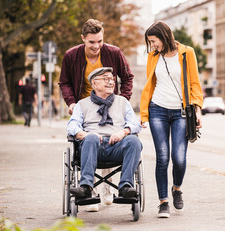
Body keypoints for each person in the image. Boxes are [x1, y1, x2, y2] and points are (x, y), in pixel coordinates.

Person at [59, 19, 134, 209]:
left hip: (110, 102)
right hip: (85, 106)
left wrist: (120, 100)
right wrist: (72, 103)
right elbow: (65, 82)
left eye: (100, 41)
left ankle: (108, 189)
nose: (96, 46)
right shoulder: (71, 56)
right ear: (83, 38)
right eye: (92, 42)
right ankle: (89, 187)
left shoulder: (114, 53)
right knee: (91, 138)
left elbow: (127, 77)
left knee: (111, 133)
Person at [140, 21, 203, 218]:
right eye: (150, 42)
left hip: (181, 113)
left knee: (179, 158)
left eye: (153, 41)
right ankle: (163, 202)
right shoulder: (153, 57)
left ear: (164, 36)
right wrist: (144, 114)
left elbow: (194, 83)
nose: (152, 46)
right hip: (157, 110)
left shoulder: (187, 53)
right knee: (163, 157)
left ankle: (176, 188)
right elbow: (150, 84)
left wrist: (198, 110)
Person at [67, 67, 142, 202]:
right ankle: (85, 187)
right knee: (91, 138)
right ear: (94, 83)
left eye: (112, 79)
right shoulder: (82, 104)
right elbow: (72, 125)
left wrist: (123, 132)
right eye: (106, 79)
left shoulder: (122, 102)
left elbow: (135, 124)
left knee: (134, 141)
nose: (111, 82)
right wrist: (84, 134)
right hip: (92, 148)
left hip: (117, 147)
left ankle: (125, 186)